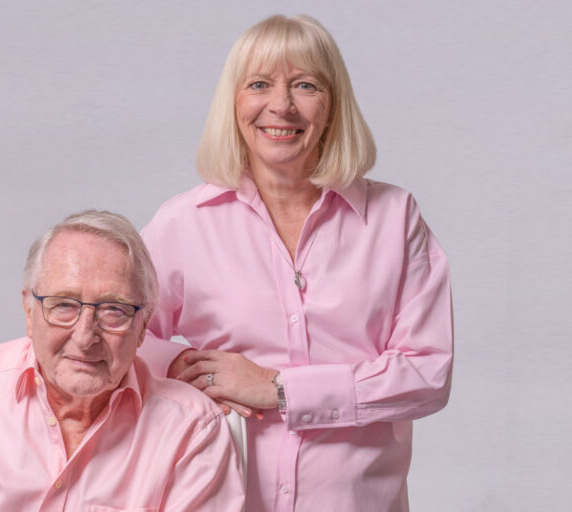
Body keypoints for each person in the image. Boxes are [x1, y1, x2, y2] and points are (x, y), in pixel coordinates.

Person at [139, 14, 453, 512]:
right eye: (259, 84)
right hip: (217, 497)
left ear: (332, 106)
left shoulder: (395, 218)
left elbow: (427, 375)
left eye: (305, 85)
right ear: (234, 102)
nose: (280, 106)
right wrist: (178, 365)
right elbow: (119, 336)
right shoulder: (182, 223)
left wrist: (279, 389)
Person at [0, 210, 244, 511]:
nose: (85, 336)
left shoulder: (192, 429)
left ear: (143, 327)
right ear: (29, 311)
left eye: (114, 311)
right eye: (64, 305)